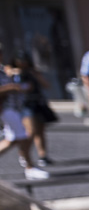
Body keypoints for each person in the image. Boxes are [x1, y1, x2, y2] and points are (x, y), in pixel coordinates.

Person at [0, 44, 49, 180]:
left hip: (15, 107)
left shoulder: (5, 70)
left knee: (14, 139)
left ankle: (29, 166)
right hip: (7, 108)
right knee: (22, 137)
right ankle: (29, 167)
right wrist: (12, 87)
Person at [11, 52, 57, 168]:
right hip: (25, 105)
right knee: (30, 131)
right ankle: (24, 154)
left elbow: (46, 85)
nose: (23, 63)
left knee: (40, 131)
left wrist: (36, 75)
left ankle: (43, 156)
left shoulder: (33, 72)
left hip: (38, 102)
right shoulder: (13, 73)